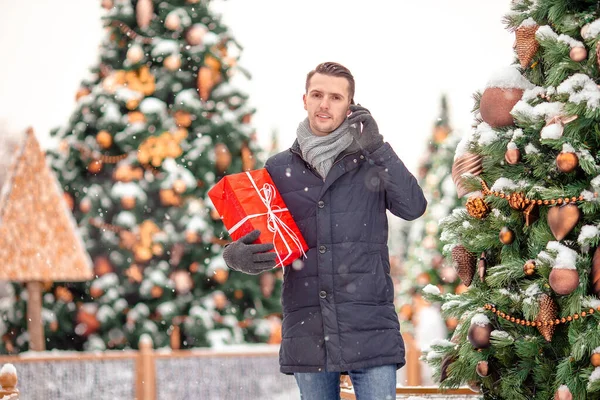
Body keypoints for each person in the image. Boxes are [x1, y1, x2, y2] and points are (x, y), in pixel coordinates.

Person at [222, 62, 427, 399]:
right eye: (317, 94)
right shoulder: (278, 168)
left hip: (368, 322)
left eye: (335, 97)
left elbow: (413, 206)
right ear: (304, 99)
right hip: (309, 328)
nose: (324, 104)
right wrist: (234, 255)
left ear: (351, 106)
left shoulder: (371, 160)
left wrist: (378, 148)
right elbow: (255, 228)